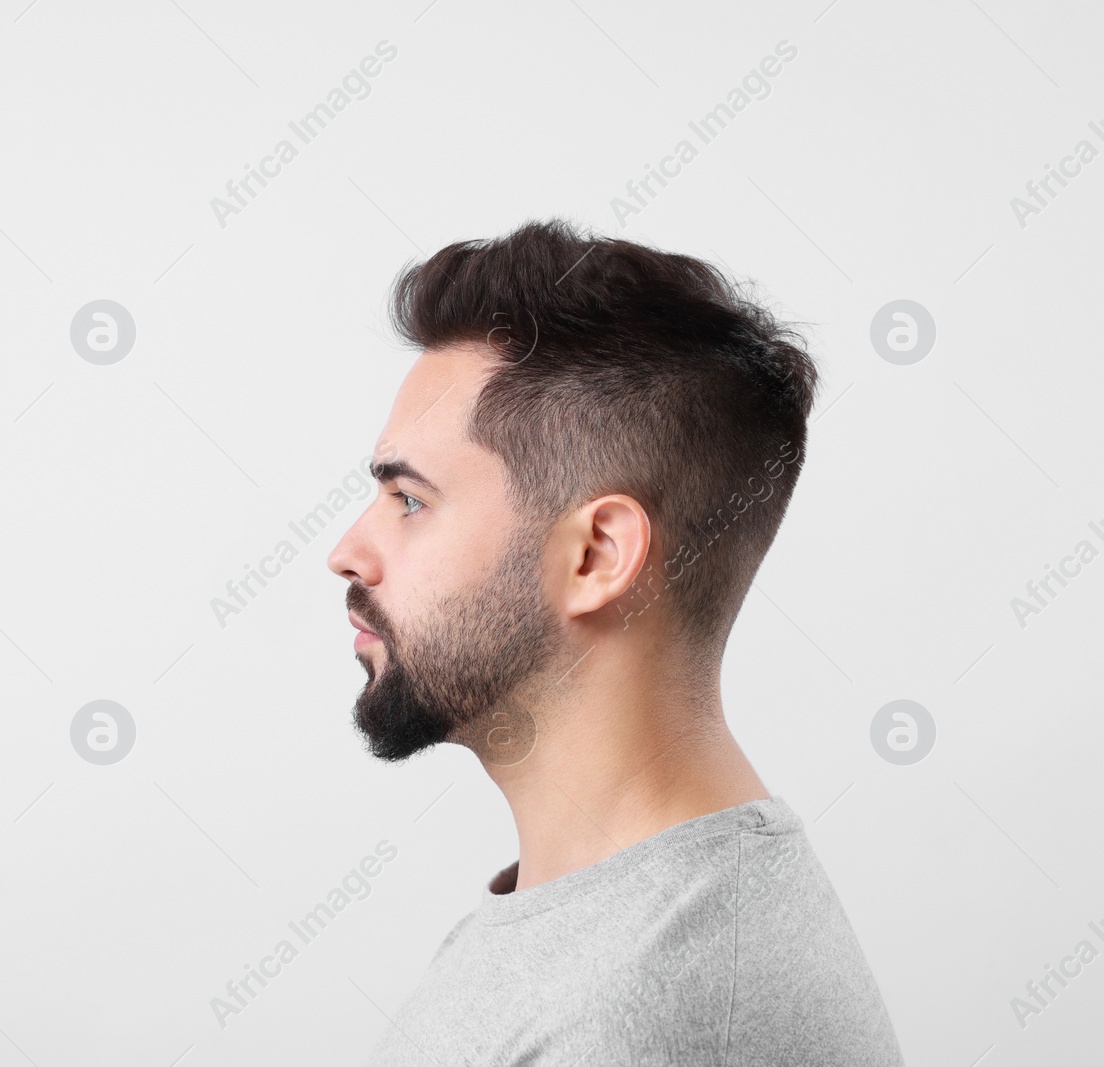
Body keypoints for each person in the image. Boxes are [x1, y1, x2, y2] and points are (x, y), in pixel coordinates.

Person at [327, 219, 903, 1065]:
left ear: (596, 556)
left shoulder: (638, 1022)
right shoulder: (593, 914)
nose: (347, 551)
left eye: (410, 500)